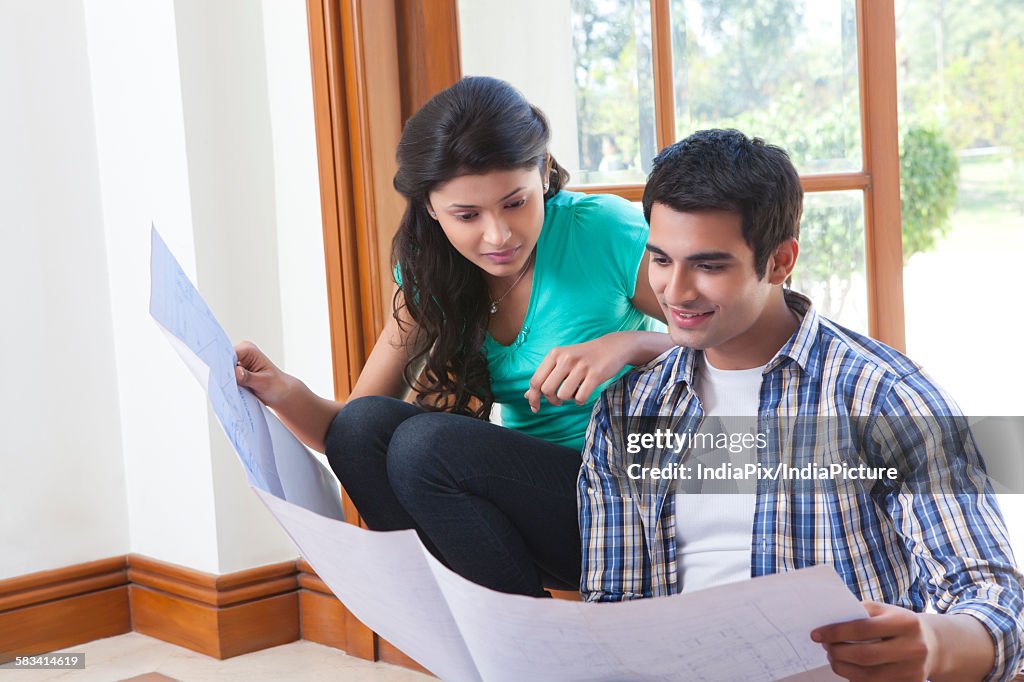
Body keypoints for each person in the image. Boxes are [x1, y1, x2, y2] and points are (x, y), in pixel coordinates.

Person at [577, 129, 1024, 680]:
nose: (675, 291)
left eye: (710, 266)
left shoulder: (884, 397)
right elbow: (613, 607)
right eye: (662, 260)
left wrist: (936, 643)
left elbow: (996, 600)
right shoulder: (627, 412)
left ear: (780, 260)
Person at [234, 76, 671, 598]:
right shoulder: (434, 273)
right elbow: (350, 435)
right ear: (431, 210)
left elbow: (734, 344)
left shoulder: (602, 232)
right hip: (537, 510)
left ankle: (528, 653)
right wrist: (281, 391)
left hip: (639, 497)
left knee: (427, 446)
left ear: (544, 173)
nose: (498, 235)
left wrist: (630, 345)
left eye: (516, 203)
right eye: (467, 215)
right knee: (365, 426)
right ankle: (470, 636)